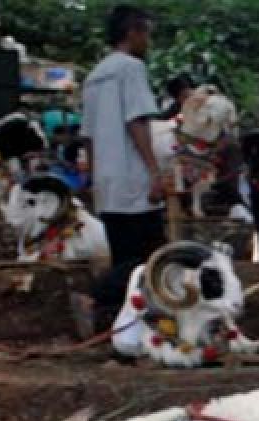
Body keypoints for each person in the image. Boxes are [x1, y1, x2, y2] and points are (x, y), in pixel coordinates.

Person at [75, 4, 167, 339]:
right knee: (151, 258)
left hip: (107, 181)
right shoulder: (130, 69)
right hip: (132, 178)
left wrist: (94, 176)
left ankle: (126, 325)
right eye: (146, 33)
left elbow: (87, 134)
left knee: (125, 256)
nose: (148, 41)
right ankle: (95, 297)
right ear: (133, 33)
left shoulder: (95, 76)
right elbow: (137, 121)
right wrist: (154, 170)